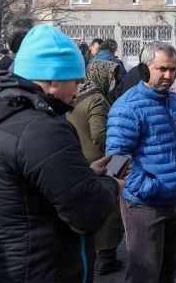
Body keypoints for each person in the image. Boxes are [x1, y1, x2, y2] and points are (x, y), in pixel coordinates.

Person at [0, 24, 122, 282]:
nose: (78, 90)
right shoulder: (41, 128)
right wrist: (110, 185)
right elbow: (87, 212)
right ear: (52, 79)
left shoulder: (4, 110)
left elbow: (31, 184)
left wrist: (82, 174)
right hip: (42, 269)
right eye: (76, 80)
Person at [106, 41, 176, 283]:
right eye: (162, 69)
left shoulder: (174, 102)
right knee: (144, 274)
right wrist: (149, 188)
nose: (168, 75)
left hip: (175, 201)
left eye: (173, 70)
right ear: (144, 69)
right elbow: (116, 161)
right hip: (145, 205)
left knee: (168, 271)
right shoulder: (127, 107)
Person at [66, 59, 124, 275]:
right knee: (108, 211)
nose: (114, 80)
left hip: (79, 158)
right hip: (99, 161)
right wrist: (116, 148)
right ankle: (106, 257)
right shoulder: (96, 99)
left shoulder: (76, 96)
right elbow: (100, 134)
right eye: (113, 75)